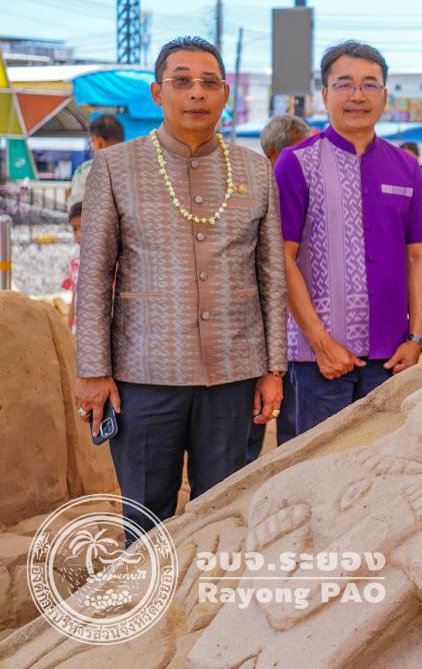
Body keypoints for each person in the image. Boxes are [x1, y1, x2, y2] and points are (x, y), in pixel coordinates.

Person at [74, 36, 286, 540]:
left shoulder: (256, 169)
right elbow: (95, 275)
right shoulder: (116, 167)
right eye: (182, 81)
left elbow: (271, 274)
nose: (197, 93)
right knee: (146, 518)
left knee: (224, 514)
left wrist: (273, 368)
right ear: (158, 92)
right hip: (144, 373)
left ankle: (210, 595)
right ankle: (150, 594)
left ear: (225, 93)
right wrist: (93, 370)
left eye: (209, 82)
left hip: (234, 372)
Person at [275, 41, 422, 434]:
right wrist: (321, 343)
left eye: (369, 85)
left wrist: (416, 339)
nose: (358, 96)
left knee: (384, 460)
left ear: (384, 95)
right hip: (318, 360)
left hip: (392, 357)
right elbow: (280, 257)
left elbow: (419, 255)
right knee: (318, 462)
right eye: (345, 84)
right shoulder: (296, 163)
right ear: (325, 94)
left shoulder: (407, 168)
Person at [246, 117, 309, 461]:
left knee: (295, 426)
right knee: (248, 424)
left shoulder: (305, 193)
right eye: (298, 149)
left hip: (297, 331)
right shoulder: (250, 193)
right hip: (255, 330)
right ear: (273, 153)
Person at [68, 114, 124, 208]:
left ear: (99, 141)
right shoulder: (137, 167)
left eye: (92, 141)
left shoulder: (86, 170)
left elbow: (76, 207)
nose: (92, 146)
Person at [61, 201, 83, 332]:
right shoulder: (75, 263)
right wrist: (68, 330)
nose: (79, 234)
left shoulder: (109, 261)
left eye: (83, 227)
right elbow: (74, 297)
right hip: (78, 331)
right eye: (75, 229)